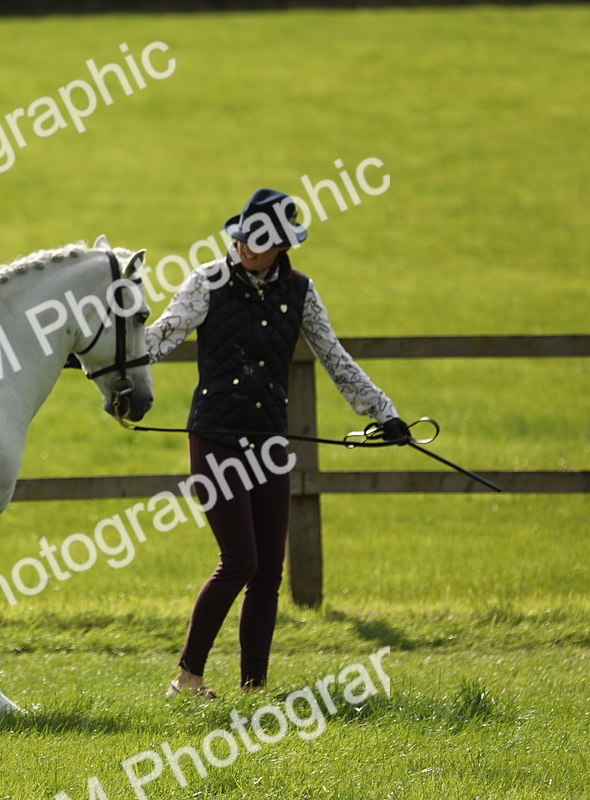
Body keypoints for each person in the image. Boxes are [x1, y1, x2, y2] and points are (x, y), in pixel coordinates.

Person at [145, 188, 410, 698]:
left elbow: (335, 358)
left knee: (268, 570)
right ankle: (188, 677)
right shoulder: (207, 282)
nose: (247, 248)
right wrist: (109, 366)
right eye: (243, 237)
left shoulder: (301, 292)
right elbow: (161, 337)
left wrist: (384, 413)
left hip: (269, 442)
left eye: (260, 242)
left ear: (284, 245)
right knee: (239, 560)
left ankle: (254, 690)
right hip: (217, 437)